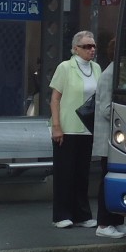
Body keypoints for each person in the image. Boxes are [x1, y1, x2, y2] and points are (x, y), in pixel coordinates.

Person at [49, 31, 99, 229]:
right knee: (64, 173)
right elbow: (55, 98)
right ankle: (61, 214)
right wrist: (56, 126)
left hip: (87, 128)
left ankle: (82, 214)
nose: (91, 50)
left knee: (82, 173)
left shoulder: (96, 68)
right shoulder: (65, 67)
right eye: (87, 46)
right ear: (76, 48)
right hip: (67, 127)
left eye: (93, 46)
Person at [92, 38, 126, 239]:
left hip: (117, 137)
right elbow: (105, 109)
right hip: (108, 138)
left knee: (117, 179)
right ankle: (103, 223)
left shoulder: (117, 73)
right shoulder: (109, 75)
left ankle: (118, 221)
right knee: (106, 181)